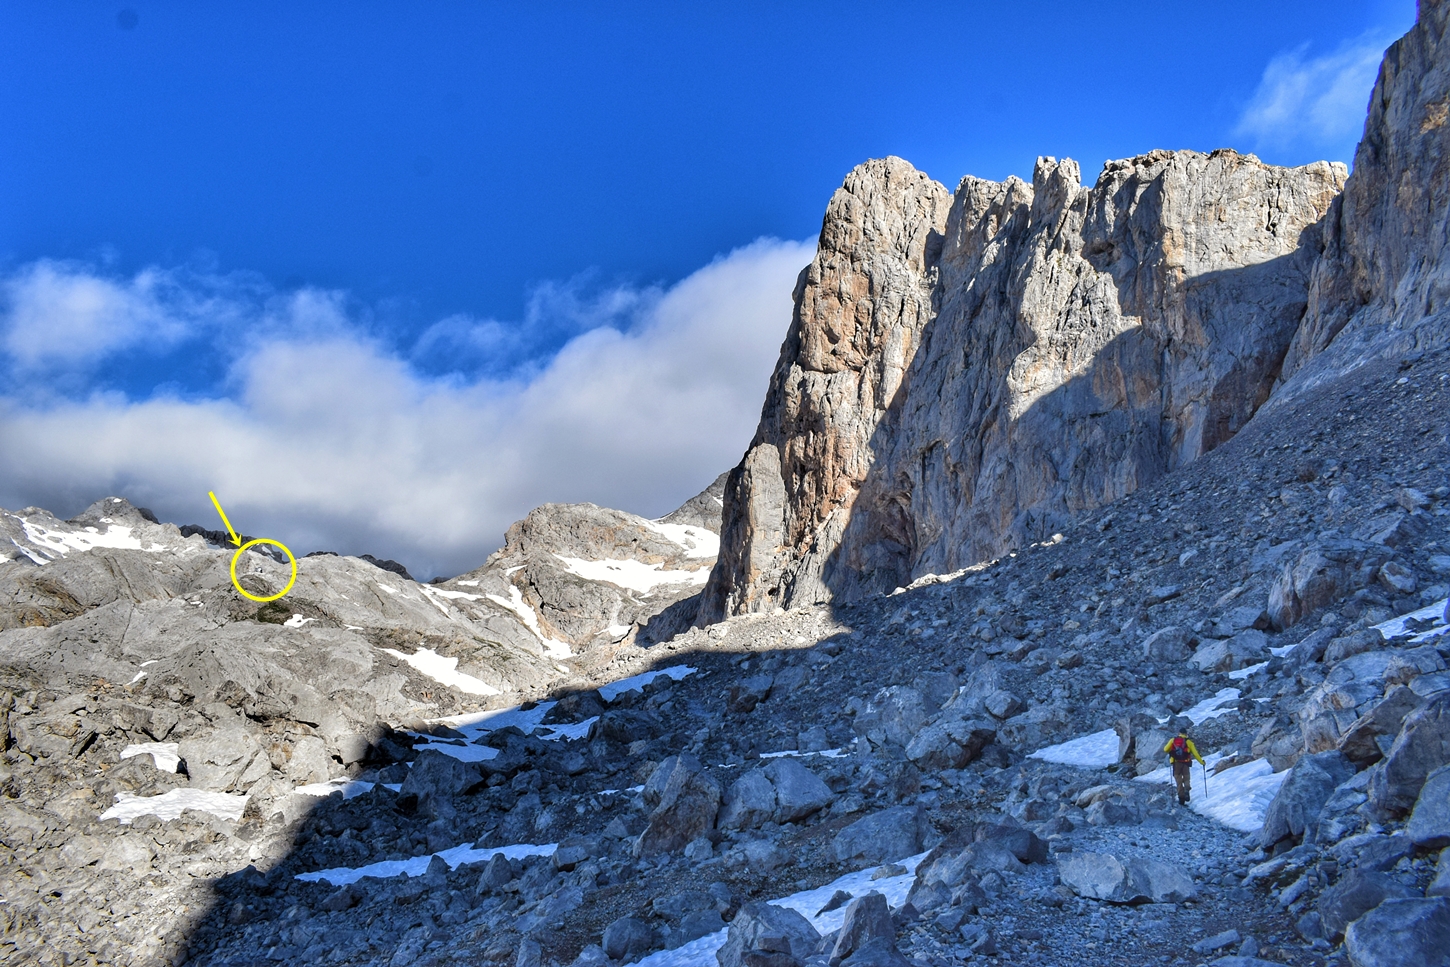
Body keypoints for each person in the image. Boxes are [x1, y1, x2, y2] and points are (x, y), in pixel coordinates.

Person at [1164, 729, 1203, 805]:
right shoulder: (1189, 742)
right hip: (1186, 763)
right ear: (1186, 734)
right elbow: (1195, 753)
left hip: (1176, 763)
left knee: (1178, 781)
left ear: (1179, 733)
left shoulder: (1173, 740)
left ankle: (1181, 799)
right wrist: (1202, 762)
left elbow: (1165, 749)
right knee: (1186, 779)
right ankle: (1186, 789)